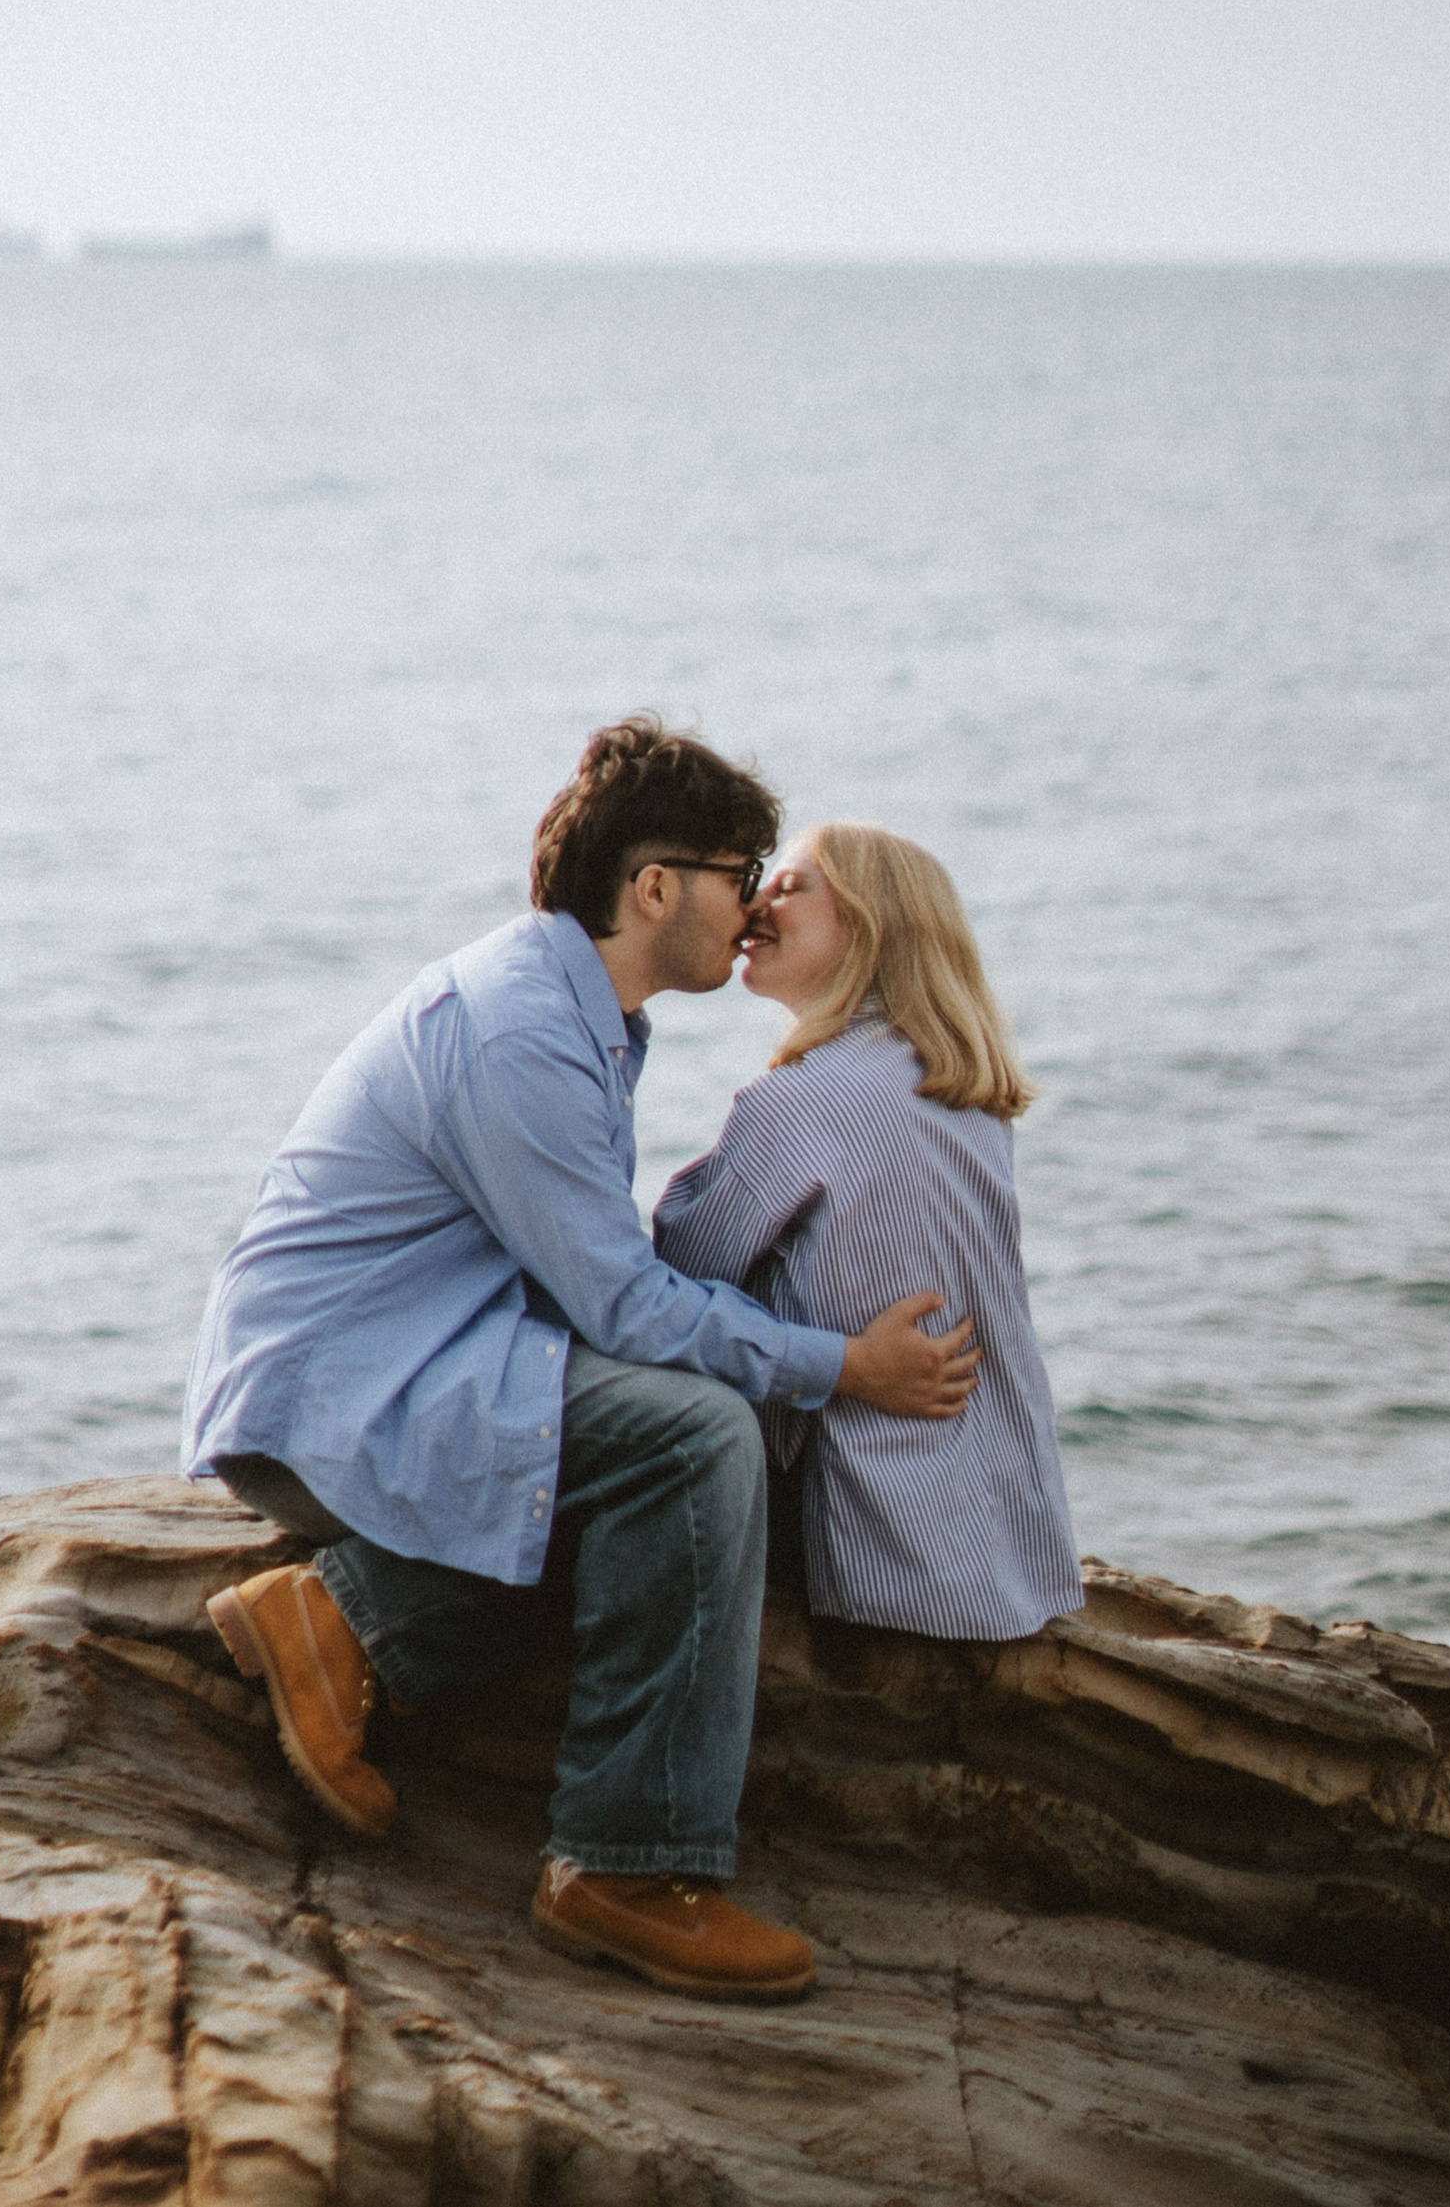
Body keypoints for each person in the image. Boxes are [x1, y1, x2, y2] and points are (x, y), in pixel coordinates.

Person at [181, 718, 979, 2002]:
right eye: (742, 869)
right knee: (700, 1437)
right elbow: (628, 1311)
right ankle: (623, 1862)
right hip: (338, 1409)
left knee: (712, 1463)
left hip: (424, 1374)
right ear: (654, 886)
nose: (756, 900)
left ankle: (346, 1621)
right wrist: (842, 1363)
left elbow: (613, 1292)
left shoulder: (583, 1014)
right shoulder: (522, 1031)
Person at [655, 823, 1080, 1643]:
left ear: (869, 923)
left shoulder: (800, 1105)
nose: (755, 901)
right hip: (1001, 1540)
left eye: (791, 885)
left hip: (874, 1547)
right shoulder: (963, 1091)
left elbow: (673, 1277)